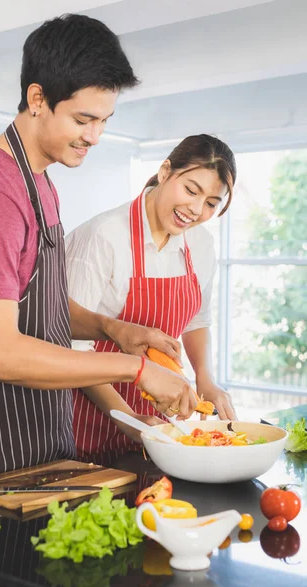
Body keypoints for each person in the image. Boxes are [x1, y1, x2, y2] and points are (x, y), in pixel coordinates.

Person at [0, 14, 197, 485]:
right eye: (83, 119)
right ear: (37, 99)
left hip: (42, 437)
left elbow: (41, 311)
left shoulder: (39, 182)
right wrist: (136, 371)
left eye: (104, 121)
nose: (95, 136)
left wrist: (111, 328)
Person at [66, 134, 238, 461]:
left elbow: (197, 319)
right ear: (164, 172)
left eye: (212, 203)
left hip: (155, 429)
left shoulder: (199, 244)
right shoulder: (104, 237)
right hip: (83, 424)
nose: (196, 210)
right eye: (190, 190)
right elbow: (71, 348)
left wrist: (206, 381)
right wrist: (127, 418)